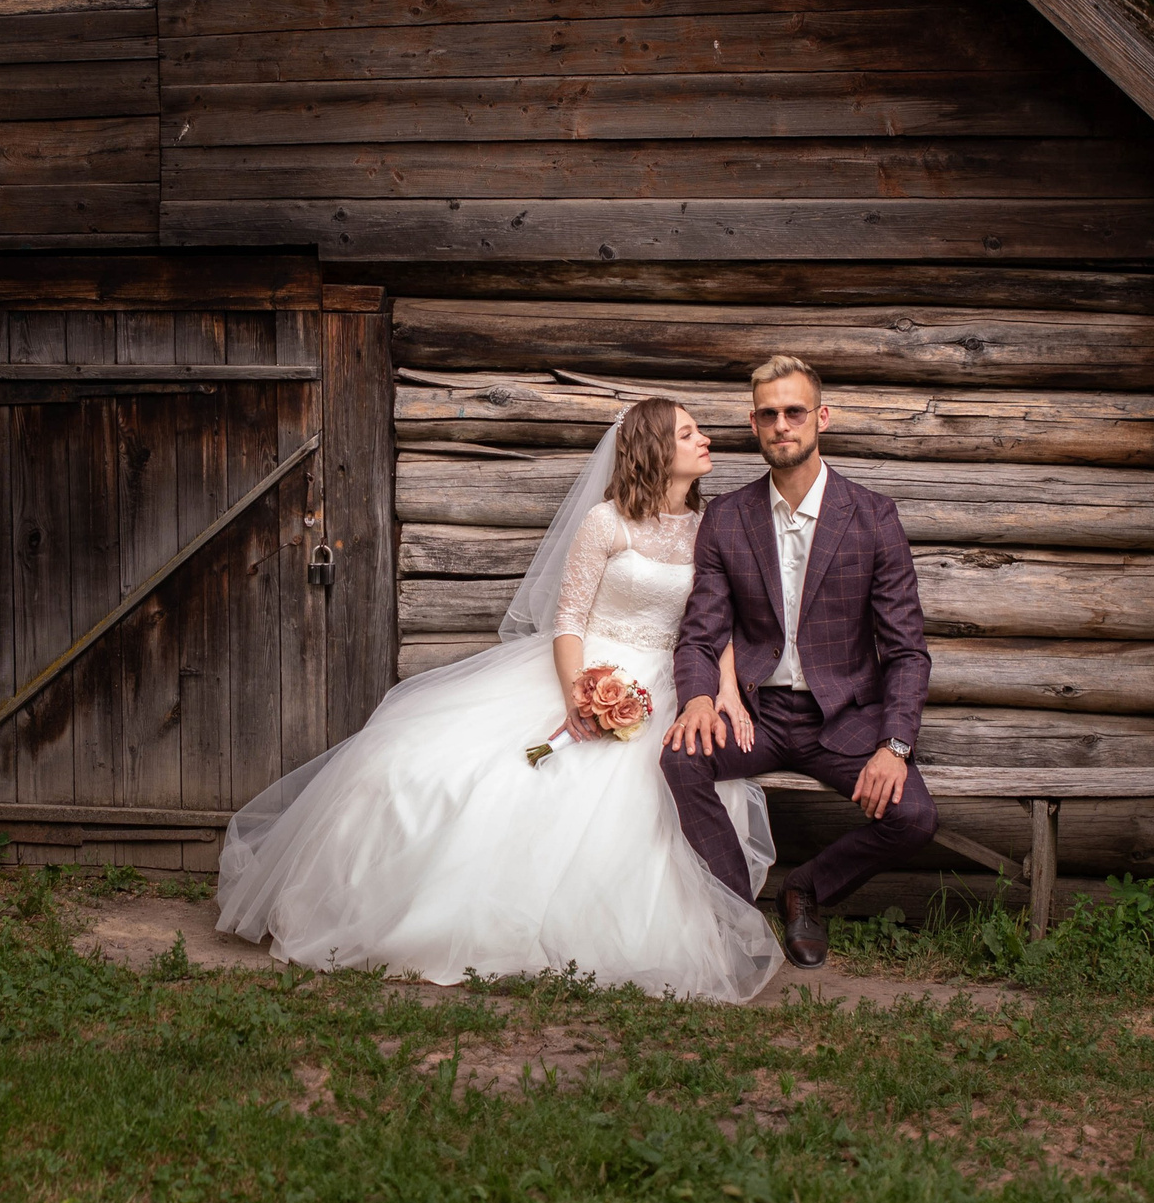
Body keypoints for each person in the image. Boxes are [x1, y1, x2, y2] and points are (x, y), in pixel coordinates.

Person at [218, 398, 782, 1001]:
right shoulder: (606, 522)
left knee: (659, 785)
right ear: (655, 450)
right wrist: (580, 694)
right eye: (689, 433)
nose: (705, 440)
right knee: (462, 776)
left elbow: (716, 624)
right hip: (588, 668)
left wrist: (725, 691)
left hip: (671, 682)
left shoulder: (707, 527)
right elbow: (569, 621)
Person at [662, 355, 934, 971]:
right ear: (753, 423)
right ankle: (740, 915)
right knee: (680, 758)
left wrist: (894, 745)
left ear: (821, 417)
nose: (781, 425)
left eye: (794, 411)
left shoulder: (872, 516)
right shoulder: (727, 517)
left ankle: (805, 889)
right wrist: (699, 699)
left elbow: (906, 650)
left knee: (916, 818)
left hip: (843, 718)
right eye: (768, 414)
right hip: (754, 713)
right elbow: (700, 634)